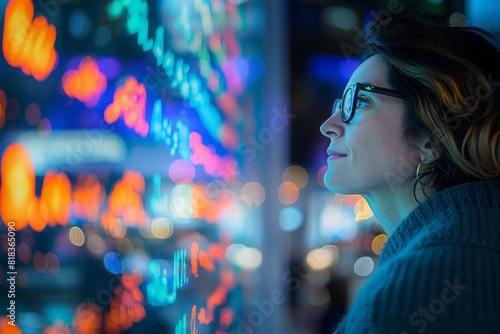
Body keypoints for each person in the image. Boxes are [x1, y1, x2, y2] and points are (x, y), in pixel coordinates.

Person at [320, 10, 500, 334]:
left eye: (357, 102)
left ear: (431, 137)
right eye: (338, 106)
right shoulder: (471, 238)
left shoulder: (416, 289)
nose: (329, 126)